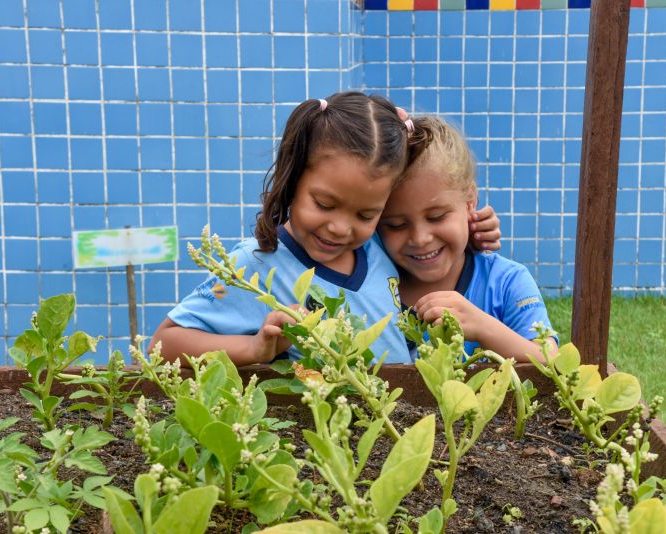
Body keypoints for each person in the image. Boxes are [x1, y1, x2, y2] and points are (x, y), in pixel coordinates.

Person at [148, 93, 500, 366]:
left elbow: (421, 234)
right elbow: (163, 345)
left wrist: (475, 229)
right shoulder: (253, 265)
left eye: (366, 214)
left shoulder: (374, 247)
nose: (339, 228)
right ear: (295, 177)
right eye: (325, 204)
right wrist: (254, 347)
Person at [378, 116, 557, 363]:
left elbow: (550, 360)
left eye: (437, 217)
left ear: (470, 199)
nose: (420, 238)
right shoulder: (370, 286)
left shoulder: (507, 283)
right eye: (396, 225)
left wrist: (483, 327)